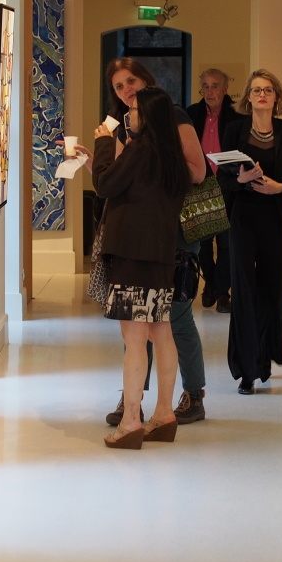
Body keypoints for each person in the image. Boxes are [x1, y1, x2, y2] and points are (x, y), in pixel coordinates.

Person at [83, 58, 211, 426]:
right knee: (148, 326)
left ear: (146, 81)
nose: (126, 91)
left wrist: (149, 159)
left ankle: (190, 394)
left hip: (170, 233)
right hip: (142, 233)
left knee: (170, 320)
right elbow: (117, 182)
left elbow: (196, 171)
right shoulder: (129, 128)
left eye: (131, 82)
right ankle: (140, 402)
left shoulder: (169, 119)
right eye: (119, 87)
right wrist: (99, 159)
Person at [91, 85, 191, 448]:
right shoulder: (172, 156)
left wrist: (104, 144)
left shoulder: (140, 150)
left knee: (133, 339)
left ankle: (131, 420)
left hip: (131, 255)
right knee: (161, 331)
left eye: (133, 110)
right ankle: (164, 414)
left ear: (146, 117)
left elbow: (104, 184)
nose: (128, 116)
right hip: (161, 255)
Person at [218, 70, 282, 394]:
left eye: (268, 90)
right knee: (243, 292)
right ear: (248, 97)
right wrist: (241, 180)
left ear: (276, 97)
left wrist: (280, 187)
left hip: (274, 219)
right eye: (256, 90)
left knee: (274, 289)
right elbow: (223, 177)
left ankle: (266, 357)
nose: (262, 95)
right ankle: (247, 370)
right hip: (243, 219)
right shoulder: (235, 130)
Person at [186, 68, 240, 311]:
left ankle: (221, 292)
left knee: (227, 243)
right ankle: (211, 284)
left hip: (226, 184)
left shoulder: (236, 116)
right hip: (201, 183)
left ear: (225, 89)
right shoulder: (191, 114)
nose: (209, 91)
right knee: (204, 244)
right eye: (205, 86)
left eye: (215, 86)